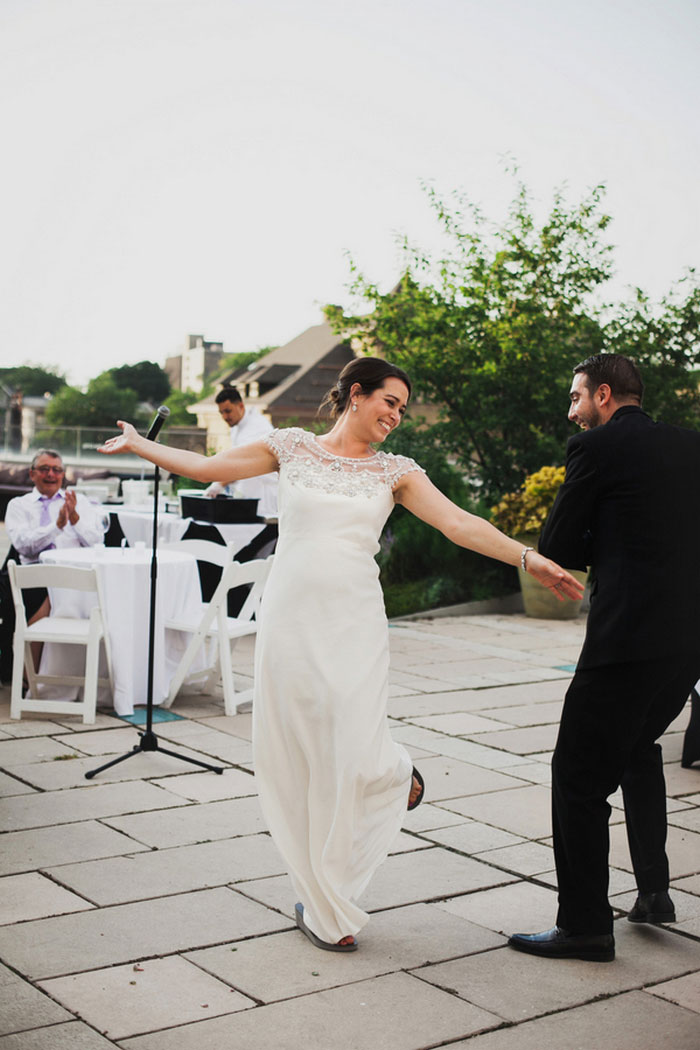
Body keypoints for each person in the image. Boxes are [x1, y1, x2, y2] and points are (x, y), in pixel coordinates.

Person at [100, 357, 583, 951]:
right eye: (390, 402)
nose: (397, 416)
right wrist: (142, 446)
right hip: (290, 621)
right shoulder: (291, 447)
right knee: (298, 753)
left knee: (349, 740)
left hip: (354, 621)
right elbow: (205, 466)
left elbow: (460, 524)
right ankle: (319, 896)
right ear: (357, 394)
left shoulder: (396, 472)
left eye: (403, 409)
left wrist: (528, 558)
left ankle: (389, 775)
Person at [508, 353, 700, 964]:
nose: (573, 411)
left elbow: (560, 545)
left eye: (576, 397)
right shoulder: (692, 446)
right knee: (636, 749)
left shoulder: (594, 450)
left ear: (606, 395)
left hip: (625, 642)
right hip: (688, 643)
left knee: (577, 776)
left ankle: (586, 926)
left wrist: (609, 538)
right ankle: (653, 893)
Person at [0, 449, 104, 681]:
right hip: (34, 575)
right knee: (46, 595)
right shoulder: (19, 505)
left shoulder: (80, 502)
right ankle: (35, 675)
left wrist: (75, 519)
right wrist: (55, 527)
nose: (51, 475)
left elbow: (97, 542)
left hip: (75, 577)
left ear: (63, 475)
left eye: (56, 470)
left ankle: (40, 675)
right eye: (45, 469)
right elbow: (23, 546)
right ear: (32, 473)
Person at [204, 387, 278, 519]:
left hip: (263, 496)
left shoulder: (257, 427)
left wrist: (218, 484)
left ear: (241, 406)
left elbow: (243, 464)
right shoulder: (237, 426)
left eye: (228, 411)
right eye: (221, 413)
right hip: (248, 493)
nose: (225, 417)